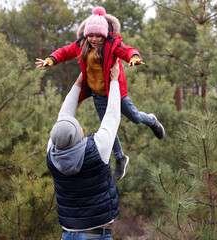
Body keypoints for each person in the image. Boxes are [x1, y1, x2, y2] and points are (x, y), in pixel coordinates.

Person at [38, 6, 165, 180]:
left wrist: (134, 57)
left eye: (98, 36)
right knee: (107, 127)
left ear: (104, 35)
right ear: (86, 34)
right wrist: (50, 60)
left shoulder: (112, 45)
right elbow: (64, 52)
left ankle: (152, 120)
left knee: (135, 117)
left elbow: (126, 50)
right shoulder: (81, 45)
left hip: (116, 93)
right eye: (91, 35)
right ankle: (120, 157)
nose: (94, 39)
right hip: (98, 95)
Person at [46, 60, 121, 240]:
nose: (81, 128)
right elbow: (112, 115)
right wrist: (114, 81)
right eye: (78, 127)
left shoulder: (52, 153)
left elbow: (63, 118)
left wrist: (78, 83)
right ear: (76, 135)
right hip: (95, 235)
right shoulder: (97, 149)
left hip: (68, 235)